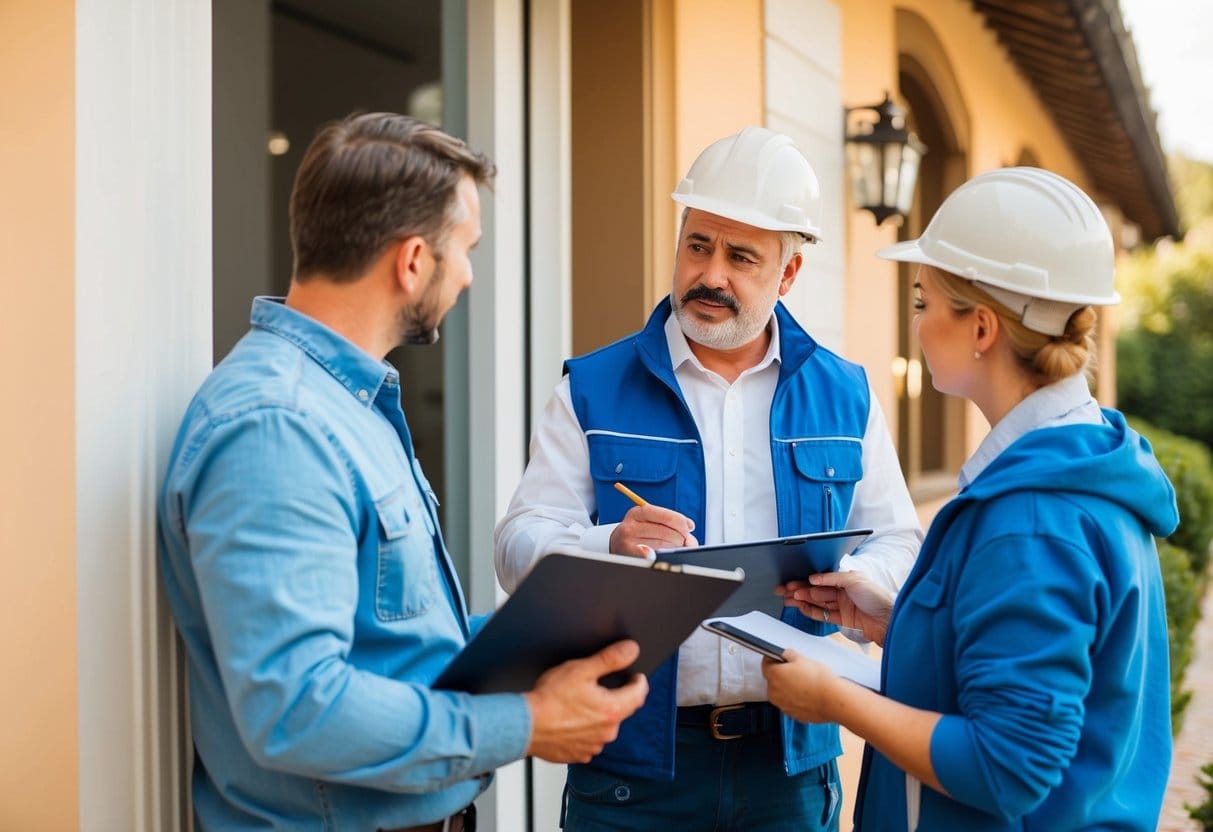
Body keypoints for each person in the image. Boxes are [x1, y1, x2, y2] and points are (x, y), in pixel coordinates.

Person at [157, 112, 648, 832]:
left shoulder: (346, 404)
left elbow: (387, 641)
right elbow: (296, 708)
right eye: (467, 250)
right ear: (413, 260)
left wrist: (548, 635)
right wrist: (525, 724)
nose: (471, 274)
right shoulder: (278, 427)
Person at [494, 126, 922, 831]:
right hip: (630, 771)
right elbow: (516, 547)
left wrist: (861, 581)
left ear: (786, 275)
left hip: (788, 768)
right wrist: (608, 544)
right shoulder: (592, 388)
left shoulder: (846, 395)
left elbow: (899, 540)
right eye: (698, 246)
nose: (711, 275)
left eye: (740, 257)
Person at [764, 166, 1179, 831]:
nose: (917, 324)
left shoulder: (1032, 519)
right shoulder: (1075, 469)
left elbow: (1005, 767)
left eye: (923, 300)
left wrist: (835, 701)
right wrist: (900, 628)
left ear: (982, 329)